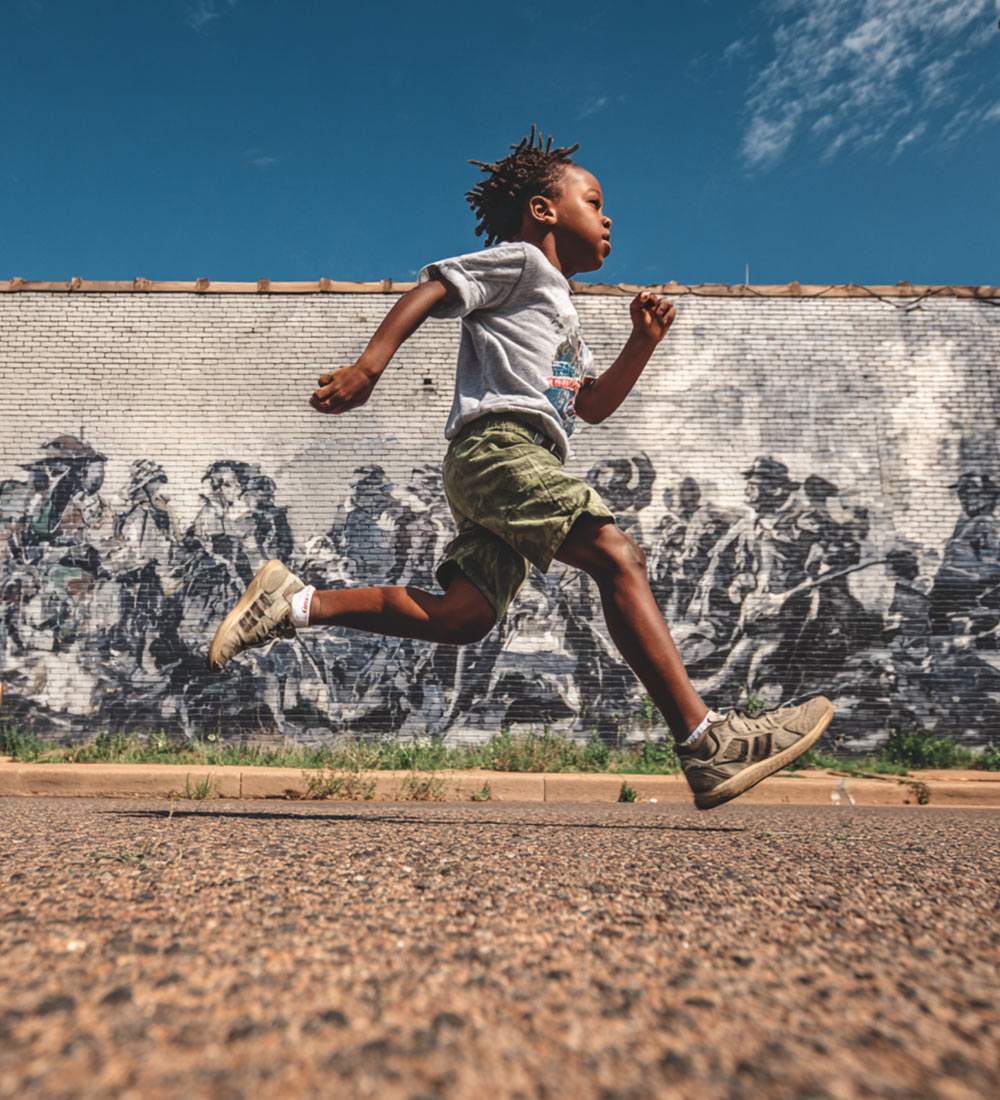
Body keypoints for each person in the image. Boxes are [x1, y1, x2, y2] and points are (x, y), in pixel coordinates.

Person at [207, 128, 834, 810]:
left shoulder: (561, 311)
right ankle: (705, 740)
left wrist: (641, 343)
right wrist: (369, 367)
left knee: (464, 617)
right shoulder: (523, 263)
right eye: (594, 201)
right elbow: (433, 287)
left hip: (508, 463)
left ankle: (296, 603)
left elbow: (589, 405)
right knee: (618, 556)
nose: (608, 218)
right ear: (543, 210)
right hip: (500, 449)